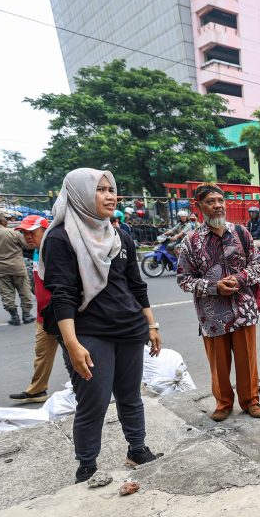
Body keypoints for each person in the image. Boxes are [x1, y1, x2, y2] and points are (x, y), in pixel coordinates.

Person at [40, 169, 162, 483]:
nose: (110, 196)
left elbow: (136, 284)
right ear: (80, 194)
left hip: (130, 329)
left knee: (130, 396)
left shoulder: (120, 236)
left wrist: (151, 324)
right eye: (101, 190)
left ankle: (137, 448)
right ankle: (86, 467)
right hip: (89, 333)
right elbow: (62, 294)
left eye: (112, 188)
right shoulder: (60, 237)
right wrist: (71, 343)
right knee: (93, 403)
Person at [177, 183, 260, 422]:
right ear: (200, 207)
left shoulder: (241, 233)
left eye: (220, 200)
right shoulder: (191, 241)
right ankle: (223, 403)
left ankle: (251, 401)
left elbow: (258, 265)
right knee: (219, 364)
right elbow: (184, 279)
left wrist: (239, 279)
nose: (217, 205)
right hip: (212, 314)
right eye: (210, 201)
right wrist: (214, 287)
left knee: (247, 359)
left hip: (244, 310)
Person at [9, 216, 57, 404]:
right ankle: (37, 390)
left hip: (61, 315)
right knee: (42, 353)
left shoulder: (55, 251)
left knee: (74, 356)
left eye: (32, 232)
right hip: (43, 315)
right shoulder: (36, 253)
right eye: (24, 233)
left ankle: (88, 389)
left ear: (45, 231)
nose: (27, 236)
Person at [0, 208, 34, 326]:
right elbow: (27, 246)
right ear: (1, 220)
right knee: (24, 291)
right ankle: (27, 315)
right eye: (5, 218)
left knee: (6, 293)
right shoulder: (13, 233)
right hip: (17, 267)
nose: (7, 221)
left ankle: (15, 317)